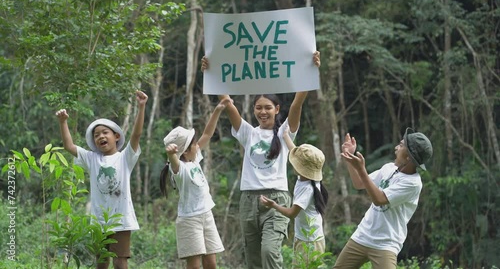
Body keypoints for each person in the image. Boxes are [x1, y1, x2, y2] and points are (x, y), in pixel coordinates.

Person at [201, 51, 321, 269]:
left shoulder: (285, 133)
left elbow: (296, 105)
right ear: (253, 109)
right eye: (258, 107)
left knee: (269, 252)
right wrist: (211, 73)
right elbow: (228, 104)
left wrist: (310, 72)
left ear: (276, 110)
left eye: (268, 108)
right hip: (248, 200)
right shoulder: (248, 133)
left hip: (277, 197)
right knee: (253, 259)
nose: (263, 112)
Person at [55, 90, 148, 269]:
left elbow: (136, 135)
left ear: (117, 137)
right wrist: (63, 122)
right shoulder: (92, 159)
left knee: (120, 261)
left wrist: (141, 107)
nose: (101, 137)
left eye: (105, 132)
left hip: (121, 219)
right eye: (96, 135)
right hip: (99, 220)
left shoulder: (125, 158)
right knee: (101, 262)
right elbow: (69, 146)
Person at [334, 128, 433, 269]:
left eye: (401, 145)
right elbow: (359, 183)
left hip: (386, 243)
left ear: (408, 158)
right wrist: (350, 158)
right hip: (362, 236)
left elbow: (379, 199)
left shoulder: (413, 184)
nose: (396, 148)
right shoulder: (388, 168)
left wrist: (361, 169)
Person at [160, 98, 231, 269]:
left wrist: (217, 110)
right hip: (189, 219)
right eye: (193, 144)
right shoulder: (179, 169)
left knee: (211, 263)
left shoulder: (194, 161)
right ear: (185, 150)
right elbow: (175, 163)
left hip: (206, 214)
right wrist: (171, 155)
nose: (197, 146)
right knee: (195, 265)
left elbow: (207, 134)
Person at [260, 127, 329, 267]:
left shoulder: (307, 189)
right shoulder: (307, 178)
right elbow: (295, 151)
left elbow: (292, 213)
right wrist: (285, 135)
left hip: (310, 240)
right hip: (304, 236)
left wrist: (273, 205)